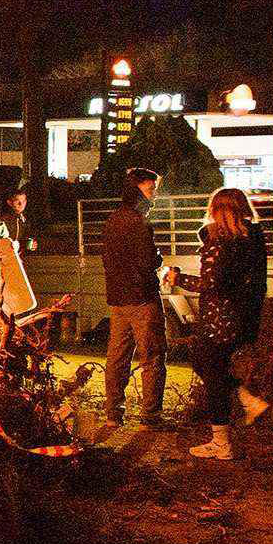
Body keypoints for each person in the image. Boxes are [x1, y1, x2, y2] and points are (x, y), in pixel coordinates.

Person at [183, 187, 270, 459]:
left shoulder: (219, 241)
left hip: (220, 318)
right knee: (211, 366)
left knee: (210, 371)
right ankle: (246, 400)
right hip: (246, 316)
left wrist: (178, 279)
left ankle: (222, 441)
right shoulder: (254, 238)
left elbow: (210, 284)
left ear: (216, 210)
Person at [100, 166, 167, 427]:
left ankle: (113, 414)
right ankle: (150, 415)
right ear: (136, 191)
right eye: (150, 189)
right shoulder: (138, 221)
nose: (154, 195)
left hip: (118, 299)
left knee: (117, 357)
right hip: (142, 298)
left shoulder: (113, 219)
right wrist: (158, 258)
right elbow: (147, 259)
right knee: (152, 356)